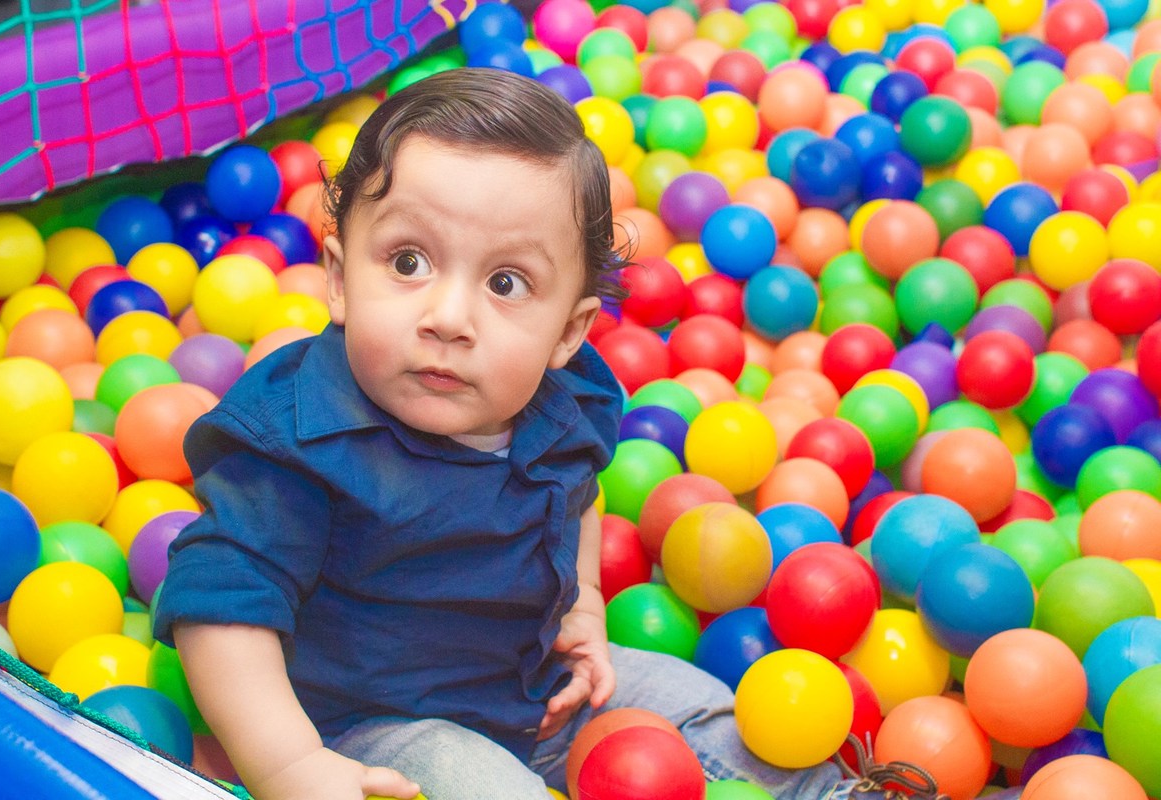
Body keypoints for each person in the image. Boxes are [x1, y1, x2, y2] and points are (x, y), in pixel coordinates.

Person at [153, 68, 987, 800]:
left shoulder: (566, 398)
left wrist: (583, 604)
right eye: (407, 262)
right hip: (375, 723)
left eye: (507, 282)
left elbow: (576, 487)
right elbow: (219, 609)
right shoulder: (298, 439)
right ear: (339, 277)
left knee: (713, 717)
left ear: (568, 331)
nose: (448, 318)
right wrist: (292, 766)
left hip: (541, 683)